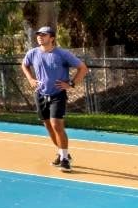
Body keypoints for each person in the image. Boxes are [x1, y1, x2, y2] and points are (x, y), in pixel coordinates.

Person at [21, 25, 89, 171]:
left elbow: (83, 68)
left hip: (58, 95)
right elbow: (24, 65)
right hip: (40, 94)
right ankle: (62, 153)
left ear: (52, 38)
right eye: (38, 34)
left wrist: (71, 84)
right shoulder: (32, 53)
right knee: (49, 127)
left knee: (56, 124)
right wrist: (30, 79)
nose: (40, 36)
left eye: (44, 35)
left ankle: (65, 160)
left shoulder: (62, 54)